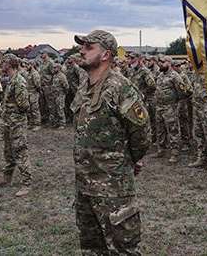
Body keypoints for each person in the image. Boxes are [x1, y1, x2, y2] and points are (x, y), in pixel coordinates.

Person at [71, 30, 149, 255]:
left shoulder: (120, 88)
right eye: (82, 46)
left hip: (113, 188)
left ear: (105, 55)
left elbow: (141, 133)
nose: (82, 51)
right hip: (85, 185)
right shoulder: (85, 86)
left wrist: (128, 160)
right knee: (91, 248)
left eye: (89, 47)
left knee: (123, 249)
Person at [0, 54, 32, 197]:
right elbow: (6, 97)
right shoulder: (10, 80)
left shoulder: (19, 81)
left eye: (4, 62)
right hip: (8, 122)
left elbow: (24, 105)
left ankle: (26, 183)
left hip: (17, 123)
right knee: (8, 151)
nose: (1, 64)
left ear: (10, 64)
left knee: (20, 151)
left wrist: (14, 111)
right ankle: (7, 178)